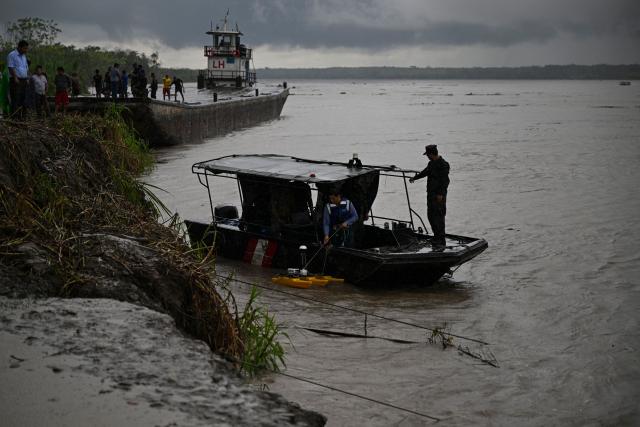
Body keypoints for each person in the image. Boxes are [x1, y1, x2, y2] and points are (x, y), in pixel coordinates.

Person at [409, 144, 450, 249]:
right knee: (431, 216)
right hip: (431, 196)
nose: (427, 156)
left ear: (432, 154)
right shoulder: (431, 164)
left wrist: (440, 194)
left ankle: (441, 240)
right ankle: (437, 237)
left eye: (428, 154)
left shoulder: (443, 164)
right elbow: (425, 172)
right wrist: (415, 177)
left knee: (439, 218)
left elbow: (445, 181)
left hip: (439, 197)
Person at [6, 40, 30, 119]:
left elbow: (26, 67)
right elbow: (10, 67)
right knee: (15, 99)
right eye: (25, 48)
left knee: (23, 100)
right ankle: (14, 118)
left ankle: (22, 118)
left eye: (27, 49)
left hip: (23, 80)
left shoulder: (24, 56)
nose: (26, 50)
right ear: (19, 47)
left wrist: (27, 78)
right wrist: (15, 77)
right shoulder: (12, 55)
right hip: (15, 80)